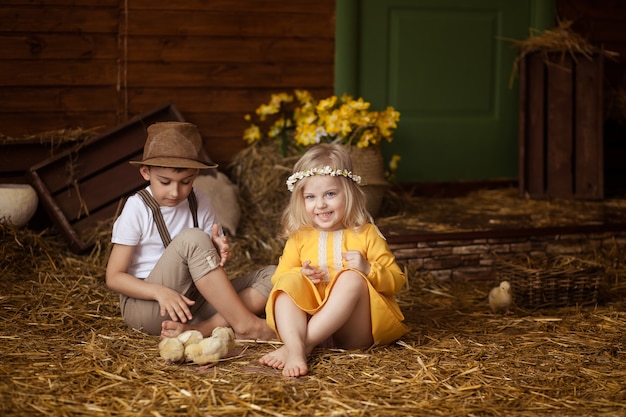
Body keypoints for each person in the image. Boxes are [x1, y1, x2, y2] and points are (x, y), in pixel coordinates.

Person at [105, 121, 275, 341]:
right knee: (193, 238)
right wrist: (159, 292)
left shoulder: (201, 201)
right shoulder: (137, 207)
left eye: (185, 182)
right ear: (146, 173)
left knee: (276, 276)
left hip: (193, 302)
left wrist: (217, 249)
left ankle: (202, 329)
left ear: (196, 174)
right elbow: (114, 277)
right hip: (151, 308)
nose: (175, 192)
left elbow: (205, 265)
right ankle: (245, 325)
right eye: (165, 182)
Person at [259, 143, 409, 377]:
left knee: (351, 278)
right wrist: (301, 274)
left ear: (347, 193)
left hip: (354, 332)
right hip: (308, 320)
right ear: (301, 199)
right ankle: (300, 344)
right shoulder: (300, 237)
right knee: (287, 282)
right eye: (311, 196)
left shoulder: (366, 233)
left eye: (330, 194)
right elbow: (278, 279)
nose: (321, 204)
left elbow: (397, 281)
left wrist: (368, 269)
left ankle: (296, 348)